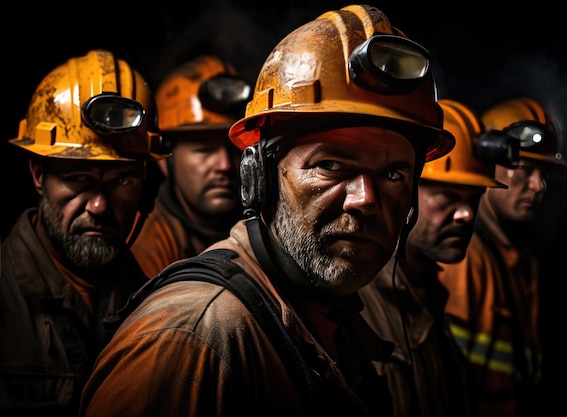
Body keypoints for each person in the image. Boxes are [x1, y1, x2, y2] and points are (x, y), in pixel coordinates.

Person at [78, 4, 455, 416]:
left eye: (394, 175)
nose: (365, 199)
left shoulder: (329, 320)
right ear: (261, 177)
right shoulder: (190, 339)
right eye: (330, 165)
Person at [0, 49, 169, 416]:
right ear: (38, 175)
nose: (99, 206)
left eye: (122, 180)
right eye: (78, 179)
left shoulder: (148, 298)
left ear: (146, 184)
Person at [359, 99, 518, 417]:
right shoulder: (356, 302)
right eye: (448, 196)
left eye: (475, 198)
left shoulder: (429, 296)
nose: (466, 214)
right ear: (400, 189)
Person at [438, 97, 567, 417]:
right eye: (524, 169)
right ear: (486, 161)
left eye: (544, 173)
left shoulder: (518, 259)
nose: (538, 185)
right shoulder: (462, 257)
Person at [131, 55, 251, 278]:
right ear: (165, 160)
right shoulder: (147, 245)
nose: (225, 165)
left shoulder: (256, 226)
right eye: (204, 150)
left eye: (235, 148)